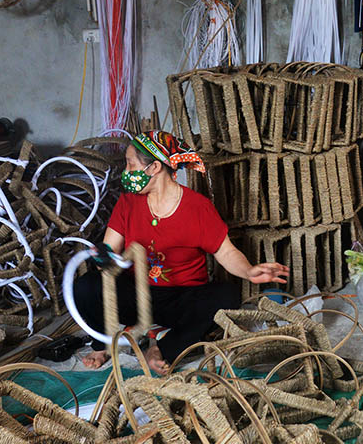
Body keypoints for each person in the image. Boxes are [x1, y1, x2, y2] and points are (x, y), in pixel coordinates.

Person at [76, 130, 289, 374]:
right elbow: (110, 252)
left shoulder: (197, 208)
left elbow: (226, 252)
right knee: (86, 286)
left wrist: (250, 271)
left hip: (182, 299)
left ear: (154, 167)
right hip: (137, 295)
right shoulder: (128, 202)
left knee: (225, 295)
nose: (125, 171)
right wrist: (103, 258)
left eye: (130, 164)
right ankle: (102, 343)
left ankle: (162, 349)